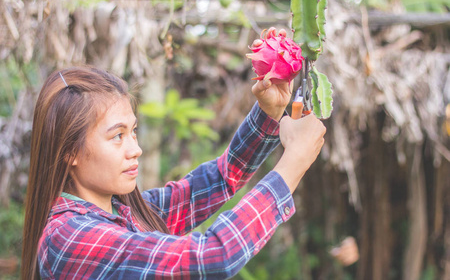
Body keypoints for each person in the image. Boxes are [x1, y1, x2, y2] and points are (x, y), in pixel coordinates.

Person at [21, 65, 326, 279]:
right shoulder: (70, 237)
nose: (135, 149)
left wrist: (269, 111)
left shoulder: (129, 212)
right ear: (69, 152)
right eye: (117, 136)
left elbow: (220, 179)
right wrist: (292, 165)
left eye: (133, 132)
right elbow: (212, 257)